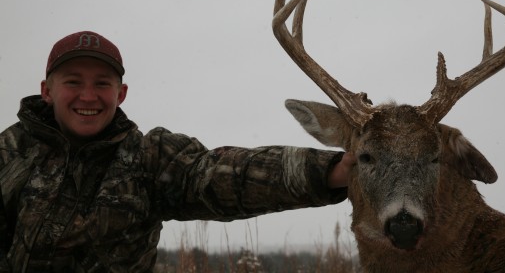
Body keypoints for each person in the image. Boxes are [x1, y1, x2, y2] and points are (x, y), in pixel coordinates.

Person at [0, 31, 356, 272]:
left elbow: (228, 175)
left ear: (121, 94)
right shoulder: (9, 153)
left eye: (102, 84)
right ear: (47, 91)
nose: (88, 96)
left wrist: (331, 170)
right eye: (73, 82)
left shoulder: (147, 158)